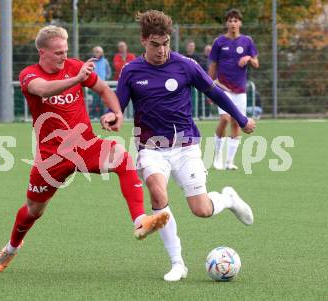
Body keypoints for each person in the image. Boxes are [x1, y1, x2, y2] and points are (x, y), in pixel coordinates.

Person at [0, 25, 169, 273]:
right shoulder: (29, 75)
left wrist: (116, 112)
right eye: (58, 52)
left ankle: (140, 221)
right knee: (33, 210)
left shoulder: (74, 66)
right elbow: (42, 89)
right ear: (42, 52)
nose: (64, 56)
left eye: (66, 51)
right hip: (51, 157)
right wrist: (76, 79)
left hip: (85, 145)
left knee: (123, 158)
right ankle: (11, 248)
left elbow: (104, 89)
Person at [116, 10, 256, 282]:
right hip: (151, 148)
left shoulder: (185, 65)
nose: (161, 50)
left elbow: (215, 92)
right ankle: (177, 263)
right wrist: (112, 116)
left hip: (186, 147)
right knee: (157, 193)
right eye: (155, 44)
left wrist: (242, 118)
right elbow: (118, 106)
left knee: (201, 210)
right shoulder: (131, 71)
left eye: (166, 43)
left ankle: (226, 198)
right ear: (144, 41)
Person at [208, 9, 259, 170]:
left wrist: (249, 58)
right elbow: (213, 66)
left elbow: (257, 63)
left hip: (240, 90)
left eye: (236, 20)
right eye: (230, 20)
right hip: (222, 88)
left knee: (237, 123)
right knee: (224, 119)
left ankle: (230, 162)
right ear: (226, 23)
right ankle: (217, 157)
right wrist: (208, 88)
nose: (233, 23)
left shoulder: (247, 41)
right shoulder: (219, 42)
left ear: (240, 23)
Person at [89, 46, 112, 119]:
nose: (96, 53)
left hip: (103, 84)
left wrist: (106, 79)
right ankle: (94, 116)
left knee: (103, 101)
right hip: (94, 84)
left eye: (97, 52)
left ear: (101, 53)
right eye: (95, 51)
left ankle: (103, 115)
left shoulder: (105, 61)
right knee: (95, 101)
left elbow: (109, 72)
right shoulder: (91, 61)